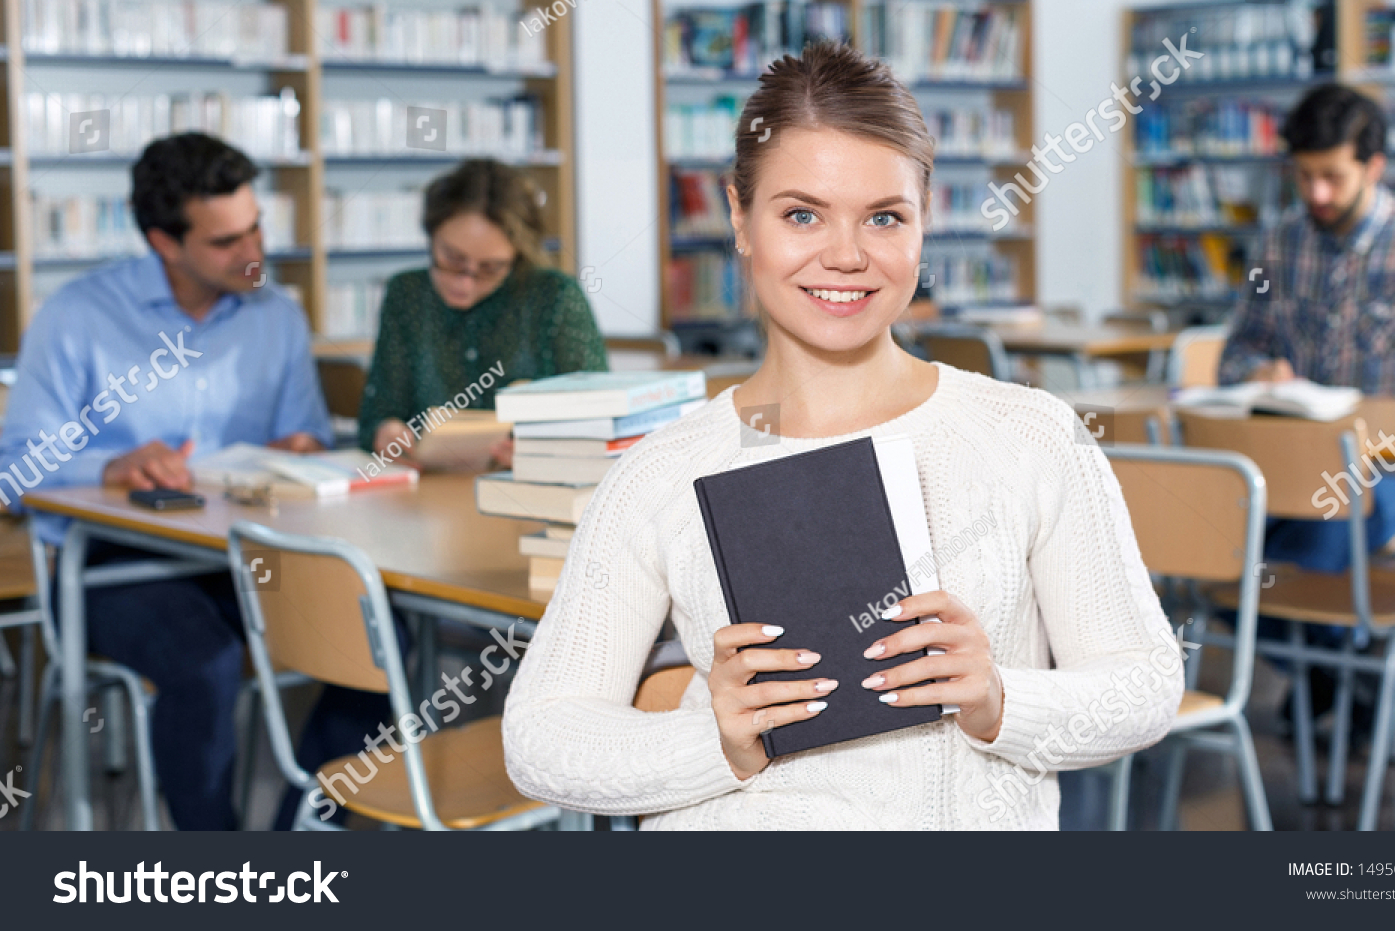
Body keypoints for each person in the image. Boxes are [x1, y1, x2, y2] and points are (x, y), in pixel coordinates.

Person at [501, 42, 1180, 829]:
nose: (847, 256)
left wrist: (1001, 697)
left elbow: (1147, 683)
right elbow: (540, 738)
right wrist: (716, 741)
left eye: (885, 217)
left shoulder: (1032, 434)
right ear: (739, 218)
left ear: (926, 218)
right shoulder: (662, 472)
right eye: (801, 214)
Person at [0, 133, 384, 830]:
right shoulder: (77, 316)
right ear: (164, 242)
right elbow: (16, 463)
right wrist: (108, 466)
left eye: (257, 226)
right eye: (226, 240)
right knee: (205, 663)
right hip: (108, 565)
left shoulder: (278, 315)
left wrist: (299, 450)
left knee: (380, 639)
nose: (253, 252)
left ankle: (301, 839)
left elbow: (308, 440)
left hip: (242, 553)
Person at [1216, 85, 1395, 734]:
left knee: (1319, 534)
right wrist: (1259, 370)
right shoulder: (1281, 244)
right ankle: (1334, 665)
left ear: (1374, 167)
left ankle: (1327, 665)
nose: (1316, 194)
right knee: (1208, 545)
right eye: (1304, 176)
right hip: (1294, 472)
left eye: (1332, 177)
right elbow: (1235, 353)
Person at [356, 158, 608, 469]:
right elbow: (374, 417)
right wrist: (385, 432)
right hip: (427, 500)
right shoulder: (406, 294)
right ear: (432, 233)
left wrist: (543, 454)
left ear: (517, 256)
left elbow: (603, 422)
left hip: (529, 494)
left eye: (489, 268)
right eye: (451, 258)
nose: (465, 282)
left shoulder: (556, 298)